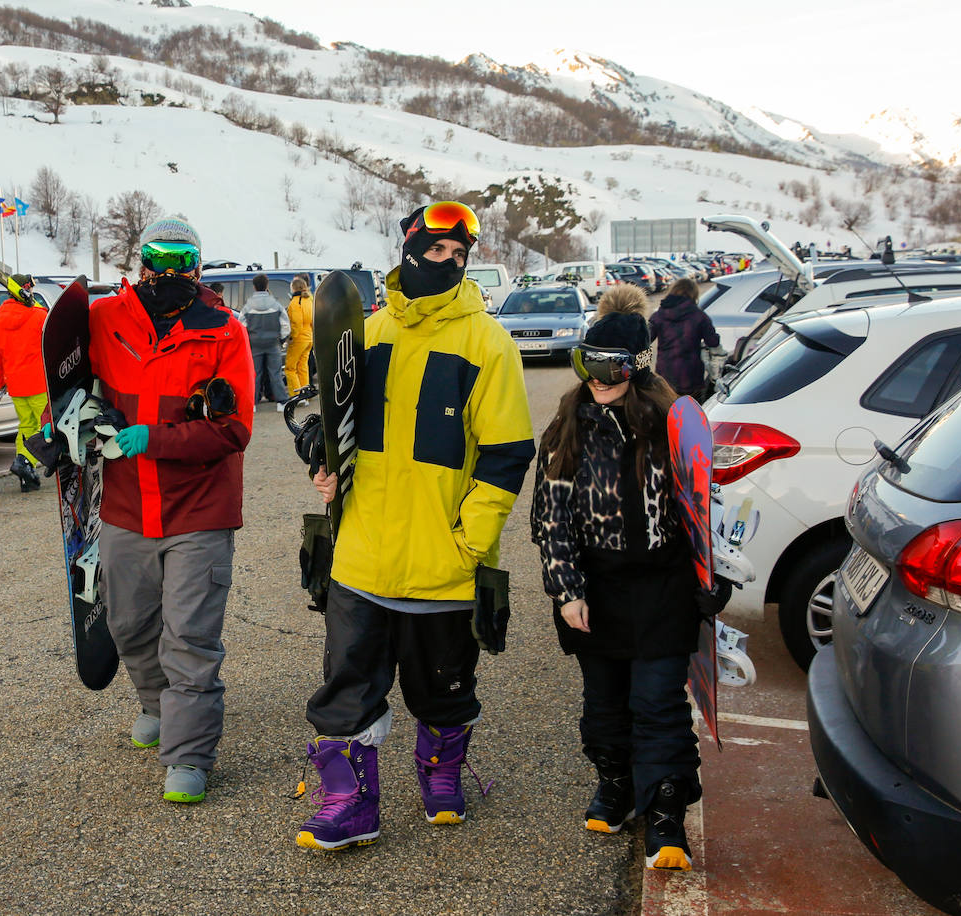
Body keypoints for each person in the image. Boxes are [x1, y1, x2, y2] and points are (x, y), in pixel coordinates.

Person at [295, 202, 535, 851]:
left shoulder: (488, 343)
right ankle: (349, 804)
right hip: (360, 558)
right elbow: (340, 428)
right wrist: (325, 462)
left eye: (460, 255)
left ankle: (441, 774)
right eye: (438, 250)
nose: (450, 262)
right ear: (408, 249)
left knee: (444, 691)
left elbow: (508, 454)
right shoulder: (366, 335)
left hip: (443, 567)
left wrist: (471, 543)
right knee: (346, 691)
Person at [529, 286, 728, 871]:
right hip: (597, 589)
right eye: (585, 363)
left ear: (637, 368)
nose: (596, 378)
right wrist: (567, 592)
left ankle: (665, 809)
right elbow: (551, 518)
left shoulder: (670, 426)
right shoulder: (568, 428)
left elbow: (702, 511)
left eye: (610, 367)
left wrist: (714, 578)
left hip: (664, 587)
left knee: (658, 704)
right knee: (605, 706)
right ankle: (616, 783)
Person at [84, 216, 255, 804]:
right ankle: (155, 702)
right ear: (141, 262)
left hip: (199, 510)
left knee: (190, 637)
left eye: (184, 260)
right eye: (160, 258)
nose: (171, 271)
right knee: (128, 624)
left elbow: (234, 430)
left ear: (198, 267)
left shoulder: (224, 332)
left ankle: (188, 756)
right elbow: (64, 370)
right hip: (127, 507)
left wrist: (152, 439)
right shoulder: (106, 319)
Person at [0, 275, 49, 492]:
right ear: (25, 290)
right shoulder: (39, 316)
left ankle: (26, 473)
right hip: (40, 383)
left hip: (16, 384)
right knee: (47, 427)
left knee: (26, 426)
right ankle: (26, 461)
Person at [648, 278, 720, 400]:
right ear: (693, 294)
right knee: (690, 414)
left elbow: (645, 340)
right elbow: (713, 342)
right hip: (691, 376)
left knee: (667, 412)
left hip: (665, 375)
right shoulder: (699, 316)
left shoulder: (659, 315)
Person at [237, 273, 290, 410]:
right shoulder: (276, 305)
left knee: (255, 374)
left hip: (254, 345)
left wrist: (248, 340)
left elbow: (241, 326)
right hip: (273, 343)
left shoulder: (248, 306)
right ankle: (282, 403)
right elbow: (285, 326)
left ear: (254, 287)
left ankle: (252, 404)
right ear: (267, 286)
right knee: (275, 374)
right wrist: (281, 338)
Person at [284, 274, 314, 398]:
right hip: (309, 337)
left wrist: (291, 337)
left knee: (290, 368)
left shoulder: (295, 303)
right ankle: (305, 393)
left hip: (299, 338)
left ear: (294, 288)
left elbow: (296, 323)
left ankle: (296, 395)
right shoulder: (309, 300)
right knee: (302, 367)